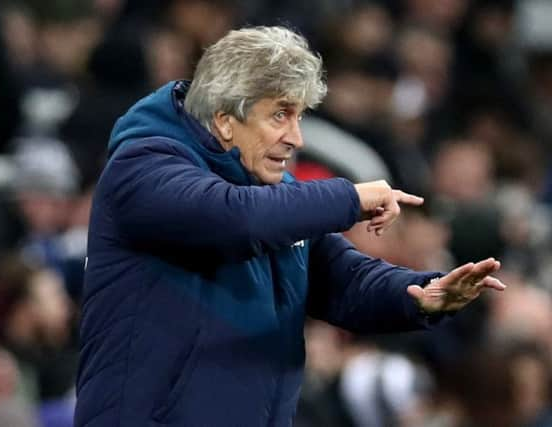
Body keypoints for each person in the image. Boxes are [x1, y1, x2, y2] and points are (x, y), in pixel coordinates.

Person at [75, 26, 505, 427]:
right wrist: (350, 198)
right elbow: (234, 219)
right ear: (225, 119)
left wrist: (420, 295)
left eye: (299, 116)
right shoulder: (143, 168)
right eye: (280, 115)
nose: (296, 137)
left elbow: (344, 280)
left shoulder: (275, 197)